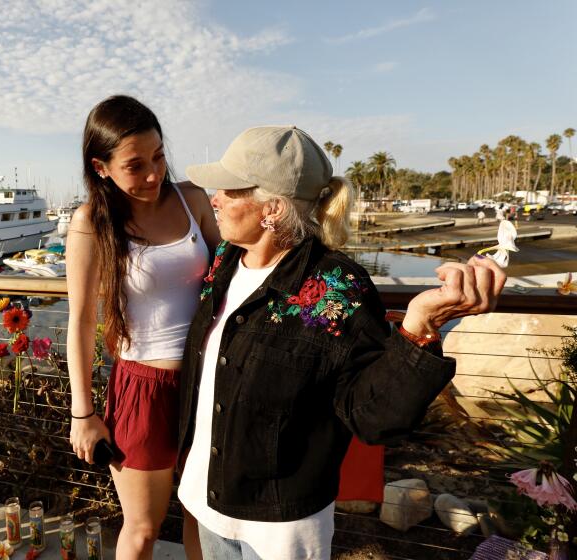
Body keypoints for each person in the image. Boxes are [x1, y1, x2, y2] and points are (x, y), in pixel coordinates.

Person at [176, 126, 506, 560]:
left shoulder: (337, 287)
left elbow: (371, 416)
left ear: (271, 208)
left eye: (229, 189)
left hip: (279, 525)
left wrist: (420, 330)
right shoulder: (224, 262)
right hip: (206, 498)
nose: (214, 198)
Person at [66, 95, 219, 559]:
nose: (153, 174)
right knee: (144, 529)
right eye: (135, 165)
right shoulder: (92, 223)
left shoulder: (192, 199)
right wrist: (83, 413)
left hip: (207, 380)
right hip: (143, 390)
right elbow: (81, 321)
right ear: (101, 167)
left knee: (204, 518)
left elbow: (236, 269)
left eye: (158, 157)